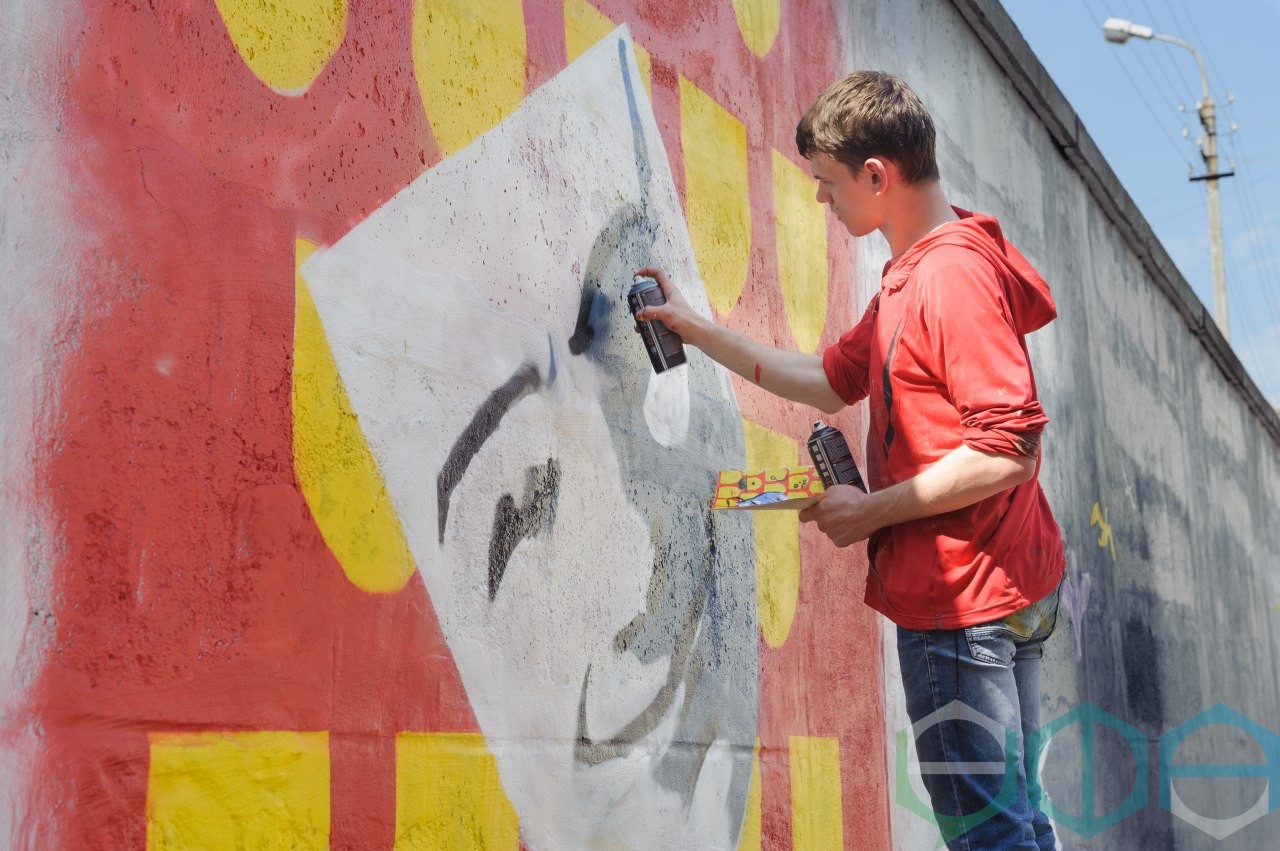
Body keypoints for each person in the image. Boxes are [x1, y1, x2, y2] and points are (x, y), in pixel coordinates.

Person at [636, 70, 1065, 850]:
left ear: (877, 174)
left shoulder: (949, 277)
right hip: (1000, 582)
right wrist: (694, 330)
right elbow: (830, 382)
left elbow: (1010, 449)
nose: (820, 200)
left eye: (828, 183)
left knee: (992, 836)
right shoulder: (912, 277)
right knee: (1020, 823)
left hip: (960, 601)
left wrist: (870, 509)